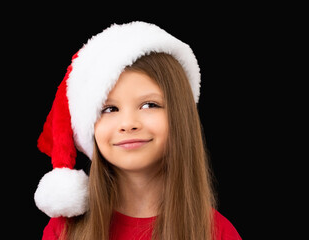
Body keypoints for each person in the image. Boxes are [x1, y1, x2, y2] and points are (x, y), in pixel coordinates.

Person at [34, 21, 242, 240]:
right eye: (109, 108)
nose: (128, 123)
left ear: (179, 116)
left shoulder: (217, 232)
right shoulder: (64, 231)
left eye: (149, 105)